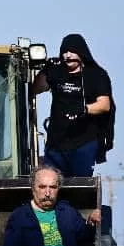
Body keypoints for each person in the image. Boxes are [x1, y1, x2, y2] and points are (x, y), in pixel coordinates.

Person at [31, 34, 114, 177]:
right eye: (65, 52)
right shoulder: (57, 70)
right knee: (51, 183)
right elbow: (36, 89)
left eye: (72, 52)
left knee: (79, 185)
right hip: (56, 142)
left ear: (81, 53)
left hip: (83, 143)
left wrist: (84, 109)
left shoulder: (96, 74)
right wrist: (46, 70)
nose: (68, 56)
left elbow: (105, 104)